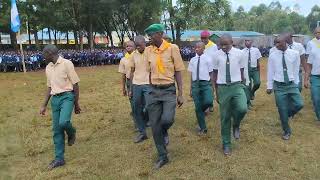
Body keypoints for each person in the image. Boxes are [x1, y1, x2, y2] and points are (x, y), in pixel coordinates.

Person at [144, 23, 185, 169]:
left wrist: (180, 93)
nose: (150, 37)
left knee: (167, 119)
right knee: (154, 126)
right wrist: (149, 89)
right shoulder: (149, 50)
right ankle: (163, 156)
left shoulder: (172, 48)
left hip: (168, 91)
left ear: (160, 34)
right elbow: (149, 71)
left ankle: (165, 130)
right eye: (149, 35)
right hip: (153, 91)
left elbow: (179, 71)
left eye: (152, 34)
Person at [39, 44, 81, 170]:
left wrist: (76, 103)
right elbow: (49, 87)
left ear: (50, 53)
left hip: (67, 97)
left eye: (44, 54)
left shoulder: (67, 63)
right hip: (55, 99)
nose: (43, 56)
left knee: (64, 122)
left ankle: (72, 132)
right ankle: (59, 158)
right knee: (57, 130)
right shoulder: (48, 67)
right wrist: (44, 105)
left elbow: (76, 84)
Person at [212, 34, 248, 155]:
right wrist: (216, 90)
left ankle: (236, 124)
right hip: (223, 88)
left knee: (242, 108)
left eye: (226, 44)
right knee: (225, 117)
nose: (223, 47)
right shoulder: (216, 55)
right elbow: (215, 74)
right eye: (221, 45)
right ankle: (226, 143)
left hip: (237, 85)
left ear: (232, 42)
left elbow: (242, 70)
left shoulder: (239, 53)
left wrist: (244, 83)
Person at [266, 35, 303, 140]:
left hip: (291, 84)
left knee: (299, 104)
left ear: (285, 42)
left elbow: (296, 70)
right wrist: (269, 86)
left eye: (279, 43)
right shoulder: (273, 55)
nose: (276, 45)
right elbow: (270, 71)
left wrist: (296, 83)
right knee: (282, 108)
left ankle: (287, 115)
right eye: (275, 43)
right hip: (279, 86)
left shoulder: (295, 54)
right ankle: (287, 131)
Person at [188, 42, 214, 135]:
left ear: (203, 49)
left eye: (199, 47)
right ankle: (203, 128)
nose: (197, 49)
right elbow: (191, 75)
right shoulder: (192, 60)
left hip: (205, 84)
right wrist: (190, 88)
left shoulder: (208, 59)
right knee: (198, 107)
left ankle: (200, 112)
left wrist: (212, 86)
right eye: (195, 47)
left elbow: (211, 73)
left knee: (209, 101)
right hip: (195, 85)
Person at [128, 36, 150, 143]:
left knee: (148, 106)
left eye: (139, 45)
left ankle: (147, 120)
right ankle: (142, 132)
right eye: (136, 46)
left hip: (148, 83)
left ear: (144, 43)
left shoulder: (150, 52)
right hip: (137, 83)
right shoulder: (133, 55)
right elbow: (132, 71)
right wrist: (131, 88)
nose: (137, 48)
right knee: (136, 107)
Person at [118, 41, 137, 130]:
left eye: (130, 45)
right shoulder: (123, 59)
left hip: (139, 81)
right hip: (129, 82)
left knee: (142, 102)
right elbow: (123, 75)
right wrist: (123, 88)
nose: (128, 47)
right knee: (133, 103)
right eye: (127, 46)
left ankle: (145, 118)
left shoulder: (138, 56)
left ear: (134, 47)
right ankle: (137, 123)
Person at [305, 27, 320, 122]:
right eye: (317, 33)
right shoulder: (311, 44)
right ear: (314, 34)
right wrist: (306, 78)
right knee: (316, 98)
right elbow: (309, 64)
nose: (319, 34)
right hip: (315, 77)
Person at [201, 30, 218, 112]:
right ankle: (206, 105)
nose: (203, 40)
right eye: (202, 38)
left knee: (211, 86)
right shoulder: (200, 45)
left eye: (205, 38)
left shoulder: (213, 46)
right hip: (203, 69)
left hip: (211, 70)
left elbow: (216, 57)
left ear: (208, 37)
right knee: (204, 86)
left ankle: (210, 103)